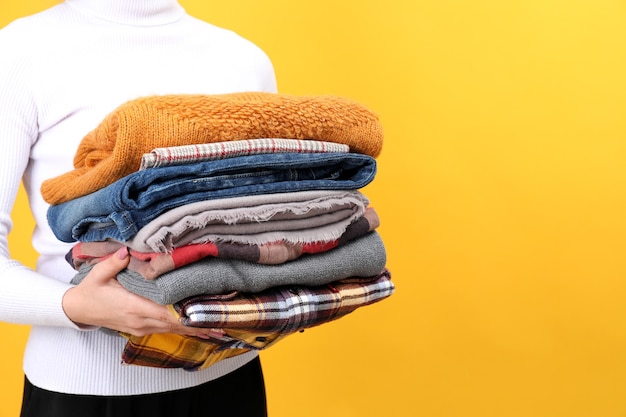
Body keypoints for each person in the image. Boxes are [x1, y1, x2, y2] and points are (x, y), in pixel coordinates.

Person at [0, 1, 277, 416]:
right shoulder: (21, 52)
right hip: (87, 390)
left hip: (231, 373)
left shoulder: (244, 58)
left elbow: (269, 214)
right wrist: (74, 306)